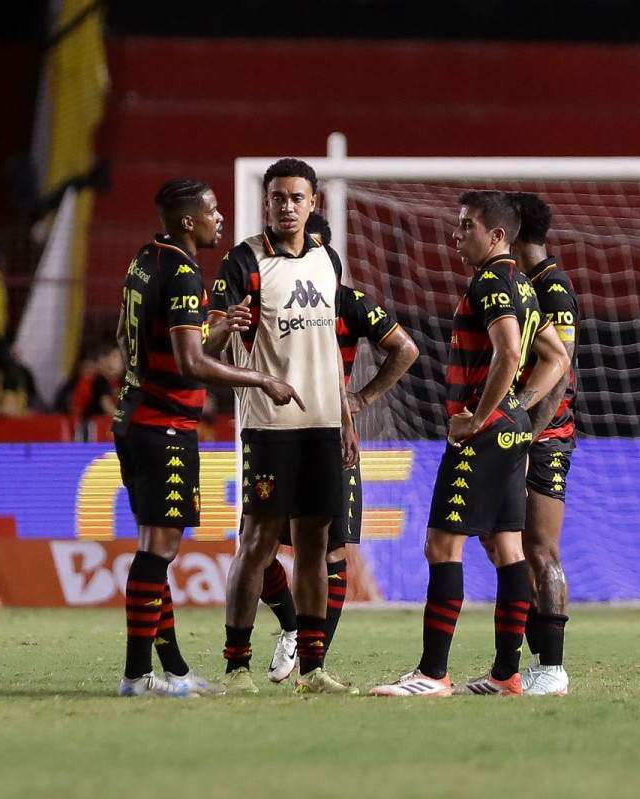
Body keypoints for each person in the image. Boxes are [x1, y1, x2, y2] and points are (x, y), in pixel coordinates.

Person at [372, 190, 568, 697]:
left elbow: (506, 352)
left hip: (483, 435)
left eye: (466, 226)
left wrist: (479, 418)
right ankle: (506, 673)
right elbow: (556, 359)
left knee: (442, 546)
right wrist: (519, 410)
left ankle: (432, 674)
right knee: (507, 548)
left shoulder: (490, 283)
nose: (456, 236)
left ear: (497, 236)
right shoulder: (523, 285)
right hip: (512, 434)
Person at [112, 178, 303, 698]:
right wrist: (261, 378)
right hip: (163, 425)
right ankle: (136, 676)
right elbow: (191, 363)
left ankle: (170, 671)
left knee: (157, 546)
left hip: (134, 417)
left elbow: (146, 336)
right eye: (213, 212)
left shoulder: (143, 260)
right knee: (157, 551)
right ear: (188, 222)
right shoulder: (180, 270)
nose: (221, 219)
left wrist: (220, 329)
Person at [210, 158, 358, 695]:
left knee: (316, 545)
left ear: (313, 203)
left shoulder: (327, 260)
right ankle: (236, 668)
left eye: (297, 197)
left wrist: (345, 416)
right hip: (269, 426)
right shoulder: (243, 261)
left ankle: (314, 668)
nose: (287, 206)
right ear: (265, 202)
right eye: (277, 198)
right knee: (257, 542)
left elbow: (331, 352)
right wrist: (224, 326)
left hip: (322, 423)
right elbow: (202, 348)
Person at [259, 212, 419, 683]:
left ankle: (315, 661)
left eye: (312, 247)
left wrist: (361, 397)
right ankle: (291, 627)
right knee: (258, 545)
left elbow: (405, 349)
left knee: (333, 552)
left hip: (330, 437)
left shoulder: (348, 303)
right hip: (274, 434)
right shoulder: (272, 299)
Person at [507, 192, 579, 696]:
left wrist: (528, 435)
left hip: (545, 439)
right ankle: (528, 666)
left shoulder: (552, 289)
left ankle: (552, 668)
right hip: (527, 434)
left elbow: (558, 373)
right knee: (518, 548)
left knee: (541, 549)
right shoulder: (528, 284)